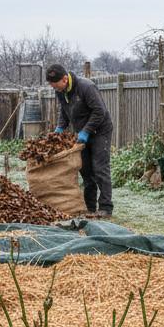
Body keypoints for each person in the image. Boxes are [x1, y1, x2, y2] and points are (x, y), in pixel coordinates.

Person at [46, 63, 113, 217]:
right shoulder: (61, 91)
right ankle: (90, 207)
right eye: (53, 87)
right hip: (82, 132)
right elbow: (64, 110)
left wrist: (86, 131)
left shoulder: (86, 87)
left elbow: (99, 111)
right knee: (86, 169)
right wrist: (60, 128)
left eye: (56, 86)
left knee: (100, 168)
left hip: (100, 130)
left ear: (64, 79)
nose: (55, 89)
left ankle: (105, 208)